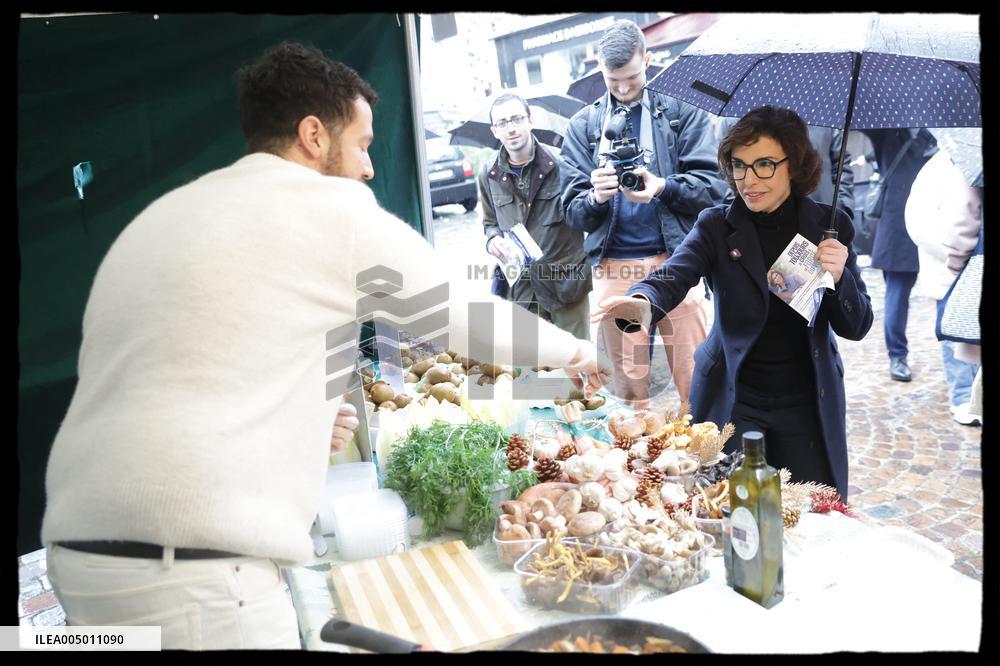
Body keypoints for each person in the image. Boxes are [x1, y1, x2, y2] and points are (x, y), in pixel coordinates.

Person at [41, 42, 607, 650]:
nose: (368, 168)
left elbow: (183, 366)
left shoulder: (164, 215)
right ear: (313, 134)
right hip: (196, 577)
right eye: (362, 145)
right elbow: (458, 312)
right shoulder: (323, 207)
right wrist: (574, 353)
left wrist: (298, 416)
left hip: (81, 560)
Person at [601, 106, 873, 500]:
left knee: (814, 512)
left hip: (806, 401)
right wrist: (641, 302)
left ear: (793, 165)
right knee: (732, 510)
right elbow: (674, 274)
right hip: (735, 396)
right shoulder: (717, 225)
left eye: (765, 164)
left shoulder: (828, 227)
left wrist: (840, 276)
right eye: (739, 165)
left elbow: (857, 325)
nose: (748, 179)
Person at [560, 19, 728, 407]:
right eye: (611, 79)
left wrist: (663, 186)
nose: (621, 88)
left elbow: (714, 188)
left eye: (632, 77)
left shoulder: (682, 110)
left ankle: (706, 453)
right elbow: (572, 212)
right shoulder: (583, 126)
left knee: (695, 378)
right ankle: (632, 464)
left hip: (678, 261)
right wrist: (595, 198)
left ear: (648, 60)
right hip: (615, 268)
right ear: (598, 66)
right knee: (626, 392)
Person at [479, 93, 592, 340]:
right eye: (502, 123)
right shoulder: (488, 174)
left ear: (530, 120)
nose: (511, 128)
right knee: (532, 373)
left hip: (566, 286)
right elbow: (489, 223)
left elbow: (585, 215)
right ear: (494, 131)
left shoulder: (562, 163)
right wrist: (491, 241)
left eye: (516, 119)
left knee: (579, 368)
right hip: (522, 291)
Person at [904, 149, 982, 425]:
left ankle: (969, 397)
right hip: (955, 267)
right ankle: (963, 397)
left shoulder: (963, 160)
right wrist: (954, 259)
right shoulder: (945, 166)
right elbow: (922, 222)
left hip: (962, 264)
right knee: (956, 332)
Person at [860, 128, 938, 382]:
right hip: (899, 228)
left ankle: (902, 356)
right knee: (897, 293)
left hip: (931, 225)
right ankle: (897, 356)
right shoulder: (890, 133)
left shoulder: (931, 137)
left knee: (911, 292)